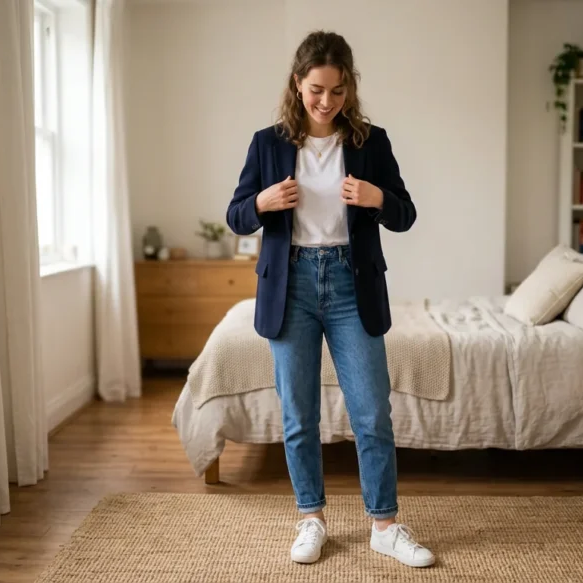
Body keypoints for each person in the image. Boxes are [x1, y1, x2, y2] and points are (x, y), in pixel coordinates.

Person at [225, 30, 433, 568]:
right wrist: (263, 202)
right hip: (288, 285)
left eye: (338, 90)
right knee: (298, 415)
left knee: (372, 413)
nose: (327, 101)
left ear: (350, 89)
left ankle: (384, 525)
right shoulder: (267, 144)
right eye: (317, 89)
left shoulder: (370, 141)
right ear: (297, 84)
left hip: (350, 283)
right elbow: (236, 214)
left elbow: (405, 214)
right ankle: (311, 518)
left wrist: (378, 197)